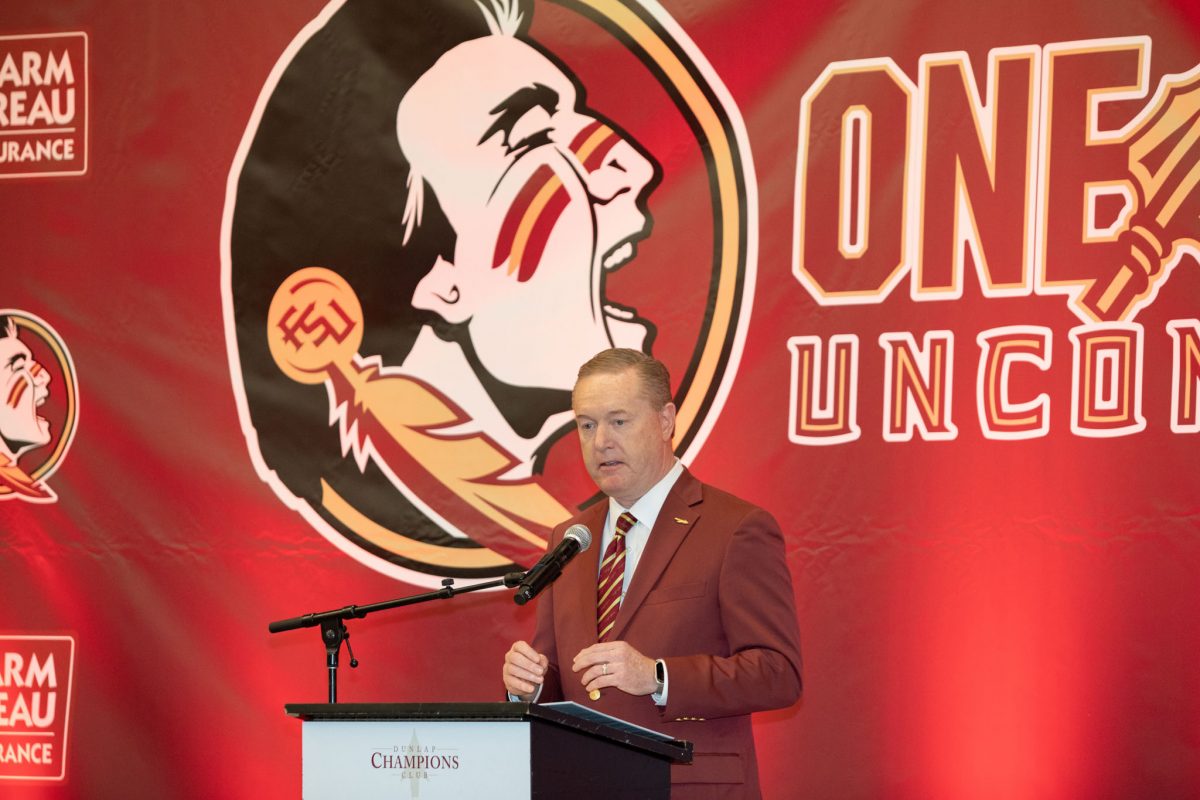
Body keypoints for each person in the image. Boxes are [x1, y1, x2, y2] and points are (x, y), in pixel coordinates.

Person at [503, 348, 802, 798]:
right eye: (586, 425)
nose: (600, 440)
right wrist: (526, 687)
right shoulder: (571, 539)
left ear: (665, 421)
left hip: (686, 785)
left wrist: (658, 676)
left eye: (618, 421)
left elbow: (778, 673)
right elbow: (560, 676)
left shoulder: (734, 528)